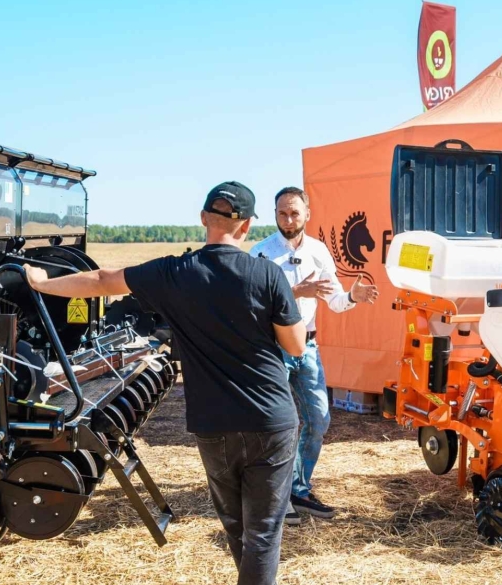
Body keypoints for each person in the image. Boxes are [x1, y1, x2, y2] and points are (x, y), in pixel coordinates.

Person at [25, 181, 306, 585]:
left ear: (204, 219)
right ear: (245, 227)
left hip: (214, 423)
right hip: (271, 421)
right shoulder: (266, 274)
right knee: (263, 533)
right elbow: (295, 347)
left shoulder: (173, 273)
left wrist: (41, 283)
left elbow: (102, 280)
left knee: (236, 526)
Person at [250, 186, 379, 524]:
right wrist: (294, 292)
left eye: (294, 213)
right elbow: (251, 307)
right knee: (280, 425)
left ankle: (299, 489)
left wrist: (353, 295)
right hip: (272, 348)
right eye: (282, 213)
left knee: (318, 419)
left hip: (308, 347)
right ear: (274, 213)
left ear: (308, 213)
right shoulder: (260, 254)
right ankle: (278, 496)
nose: (288, 220)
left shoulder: (320, 251)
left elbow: (334, 302)